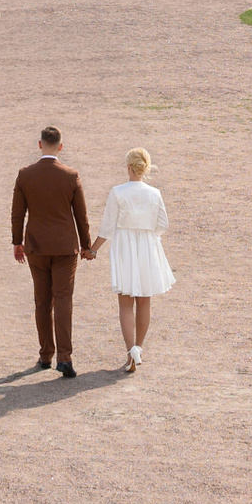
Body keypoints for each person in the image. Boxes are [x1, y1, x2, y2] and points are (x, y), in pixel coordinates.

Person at [11, 126, 94, 377]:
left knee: (42, 301)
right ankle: (65, 358)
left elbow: (17, 213)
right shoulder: (71, 176)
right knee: (63, 300)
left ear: (40, 144)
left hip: (36, 247)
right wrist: (86, 246)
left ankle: (46, 354)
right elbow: (81, 216)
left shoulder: (25, 175)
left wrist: (17, 242)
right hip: (65, 248)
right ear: (60, 146)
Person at [86, 147, 174, 373]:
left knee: (125, 303)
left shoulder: (118, 192)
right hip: (147, 246)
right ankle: (139, 348)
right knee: (144, 300)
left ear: (128, 167)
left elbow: (107, 227)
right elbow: (162, 224)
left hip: (124, 247)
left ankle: (129, 352)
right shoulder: (154, 193)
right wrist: (149, 235)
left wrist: (92, 250)